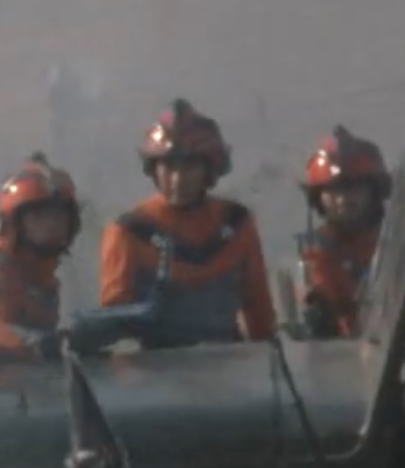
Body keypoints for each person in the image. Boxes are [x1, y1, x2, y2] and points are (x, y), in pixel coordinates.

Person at [98, 98, 276, 347]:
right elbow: (112, 323)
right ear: (154, 170)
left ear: (209, 170)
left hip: (228, 362)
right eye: (168, 167)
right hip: (159, 366)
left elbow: (259, 310)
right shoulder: (129, 232)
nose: (178, 180)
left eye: (189, 166)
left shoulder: (236, 224)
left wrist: (268, 359)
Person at [0, 152, 82, 362]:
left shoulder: (46, 279)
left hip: (35, 378)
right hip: (0, 381)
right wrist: (40, 345)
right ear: (13, 224)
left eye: (59, 215)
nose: (52, 224)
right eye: (40, 216)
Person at [298, 126, 391, 338]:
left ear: (374, 191)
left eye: (353, 188)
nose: (343, 199)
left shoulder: (398, 240)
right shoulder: (319, 253)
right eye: (333, 191)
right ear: (318, 198)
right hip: (350, 353)